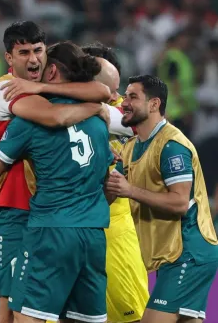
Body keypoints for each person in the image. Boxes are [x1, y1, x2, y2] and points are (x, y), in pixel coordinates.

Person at [0, 22, 111, 323]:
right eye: (24, 52)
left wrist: (42, 86)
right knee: (10, 312)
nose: (33, 60)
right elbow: (57, 116)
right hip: (20, 209)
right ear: (9, 58)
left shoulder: (36, 101)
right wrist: (96, 109)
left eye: (38, 51)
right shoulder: (7, 89)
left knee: (24, 313)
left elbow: (102, 91)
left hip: (47, 220)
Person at [107, 75, 218, 323]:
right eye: (125, 95)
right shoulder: (131, 146)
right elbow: (110, 194)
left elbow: (179, 203)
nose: (124, 102)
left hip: (189, 252)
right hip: (171, 255)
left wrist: (130, 190)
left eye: (133, 97)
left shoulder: (172, 145)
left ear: (154, 104)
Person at [82, 43, 149, 323]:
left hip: (115, 224)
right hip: (66, 223)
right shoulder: (57, 107)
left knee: (130, 314)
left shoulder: (127, 110)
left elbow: (146, 129)